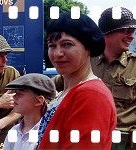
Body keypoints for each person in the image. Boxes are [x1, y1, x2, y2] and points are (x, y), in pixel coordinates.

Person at [37, 12, 117, 149]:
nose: (57, 53)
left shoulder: (91, 95)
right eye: (52, 45)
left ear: (88, 48)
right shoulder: (66, 92)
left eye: (67, 44)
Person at [95, 7, 136, 149]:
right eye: (127, 31)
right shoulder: (87, 63)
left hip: (129, 144)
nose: (132, 36)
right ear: (107, 33)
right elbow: (55, 85)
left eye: (133, 32)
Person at [3, 73, 56, 149]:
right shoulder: (14, 131)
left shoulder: (50, 132)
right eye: (15, 93)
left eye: (20, 94)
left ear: (39, 101)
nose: (14, 97)